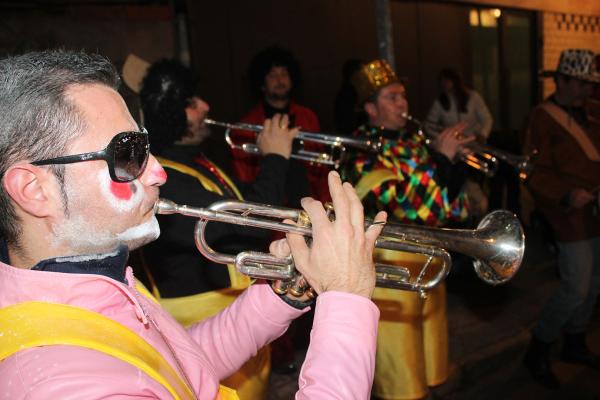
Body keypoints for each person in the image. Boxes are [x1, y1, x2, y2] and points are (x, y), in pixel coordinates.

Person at [0, 49, 387, 399]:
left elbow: (178, 365)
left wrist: (283, 294)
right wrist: (347, 300)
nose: (158, 172)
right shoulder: (64, 385)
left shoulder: (83, 282)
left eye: (146, 148)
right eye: (127, 153)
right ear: (33, 189)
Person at [341, 59, 474, 400]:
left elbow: (443, 208)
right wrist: (441, 161)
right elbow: (400, 201)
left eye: (403, 95)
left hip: (427, 258)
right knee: (402, 367)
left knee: (432, 357)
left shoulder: (414, 140)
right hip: (390, 266)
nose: (403, 103)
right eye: (392, 97)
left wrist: (454, 170)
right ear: (370, 108)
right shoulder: (359, 149)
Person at [138, 58, 296, 297]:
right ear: (168, 113)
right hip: (199, 318)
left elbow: (247, 201)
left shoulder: (196, 162)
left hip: (229, 309)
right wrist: (275, 157)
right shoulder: (164, 180)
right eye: (192, 103)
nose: (205, 106)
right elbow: (253, 226)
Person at [522, 48, 600, 390]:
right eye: (582, 84)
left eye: (590, 84)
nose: (588, 91)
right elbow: (533, 173)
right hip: (569, 217)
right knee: (576, 287)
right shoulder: (541, 117)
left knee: (595, 284)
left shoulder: (594, 113)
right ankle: (539, 346)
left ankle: (575, 342)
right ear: (563, 81)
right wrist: (566, 195)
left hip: (597, 213)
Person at [231, 45, 330, 204]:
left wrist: (327, 204)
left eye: (284, 73)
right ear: (261, 83)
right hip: (272, 205)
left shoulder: (308, 116)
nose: (280, 80)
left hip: (309, 203)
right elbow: (244, 177)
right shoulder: (246, 125)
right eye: (272, 75)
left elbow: (321, 169)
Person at [425, 67, 493, 143]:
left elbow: (486, 118)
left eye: (447, 80)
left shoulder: (472, 97)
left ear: (455, 80)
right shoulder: (440, 101)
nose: (444, 83)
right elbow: (429, 125)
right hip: (454, 145)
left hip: (474, 142)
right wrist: (443, 137)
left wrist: (483, 134)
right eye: (442, 81)